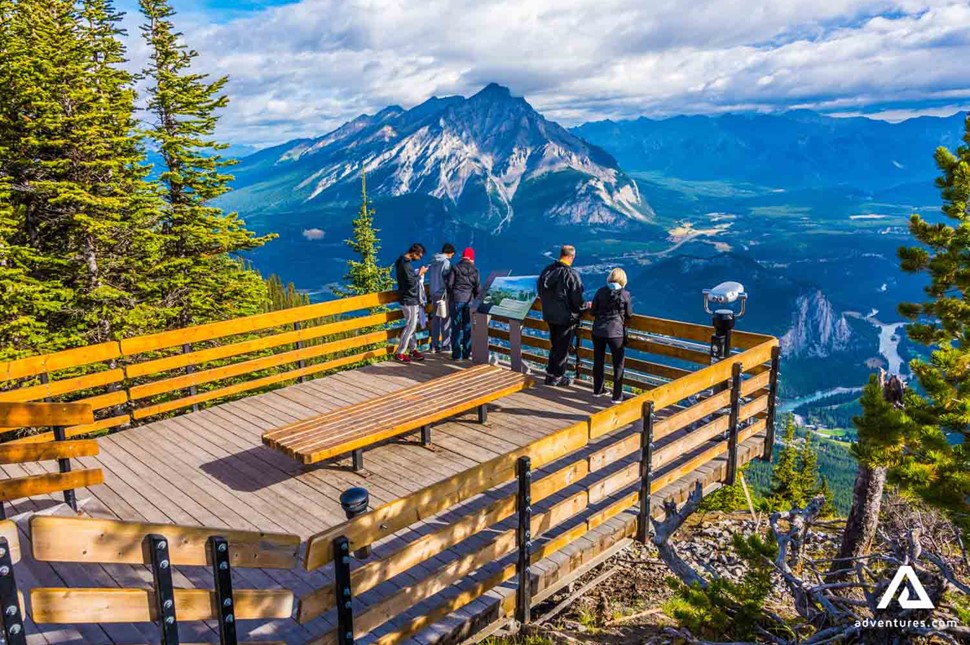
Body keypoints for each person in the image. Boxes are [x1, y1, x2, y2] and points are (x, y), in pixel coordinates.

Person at [537, 245, 584, 386]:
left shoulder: (547, 271)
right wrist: (582, 308)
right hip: (566, 318)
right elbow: (577, 298)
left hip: (550, 315)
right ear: (572, 257)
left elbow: (540, 289)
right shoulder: (571, 274)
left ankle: (550, 374)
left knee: (555, 346)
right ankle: (557, 377)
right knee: (562, 348)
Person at [591, 268, 633, 403]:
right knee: (618, 364)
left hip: (598, 331)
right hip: (616, 333)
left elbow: (592, 311)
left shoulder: (600, 291)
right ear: (623, 280)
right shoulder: (625, 294)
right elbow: (629, 314)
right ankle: (617, 396)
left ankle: (598, 390)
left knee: (598, 360)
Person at [394, 242, 428, 363]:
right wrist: (420, 274)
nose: (419, 258)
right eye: (419, 256)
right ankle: (400, 352)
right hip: (410, 299)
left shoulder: (401, 261)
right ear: (414, 253)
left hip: (404, 298)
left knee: (411, 325)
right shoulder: (406, 265)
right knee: (411, 326)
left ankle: (413, 349)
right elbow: (411, 283)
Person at [447, 247, 481, 360]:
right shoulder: (475, 271)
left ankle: (457, 355)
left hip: (456, 300)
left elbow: (450, 285)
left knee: (455, 327)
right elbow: (477, 289)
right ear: (472, 258)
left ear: (463, 257)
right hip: (469, 301)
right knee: (467, 327)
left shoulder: (455, 268)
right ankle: (467, 353)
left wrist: (452, 295)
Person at [428, 243, 456, 353]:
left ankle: (434, 345)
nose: (452, 256)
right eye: (452, 254)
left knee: (435, 319)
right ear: (449, 253)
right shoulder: (446, 262)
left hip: (433, 293)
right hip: (442, 294)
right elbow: (447, 280)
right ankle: (445, 345)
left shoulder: (433, 261)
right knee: (445, 318)